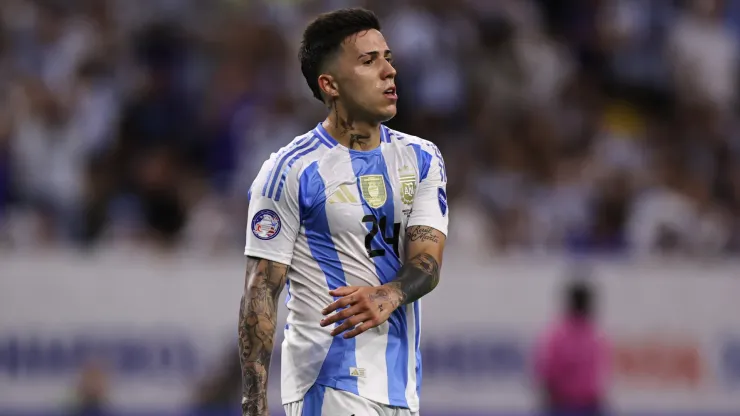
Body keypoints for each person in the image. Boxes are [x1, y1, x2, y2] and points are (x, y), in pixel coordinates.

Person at [238, 8, 448, 416]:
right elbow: (260, 291)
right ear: (329, 84)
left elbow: (428, 262)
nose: (389, 71)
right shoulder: (291, 170)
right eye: (369, 61)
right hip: (328, 383)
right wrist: (254, 404)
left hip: (400, 389)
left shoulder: (422, 158)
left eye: (387, 57)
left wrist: (389, 294)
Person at [534, 279, 611, 416]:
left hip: (586, 404)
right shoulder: (561, 334)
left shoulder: (592, 334)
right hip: (563, 404)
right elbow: (547, 372)